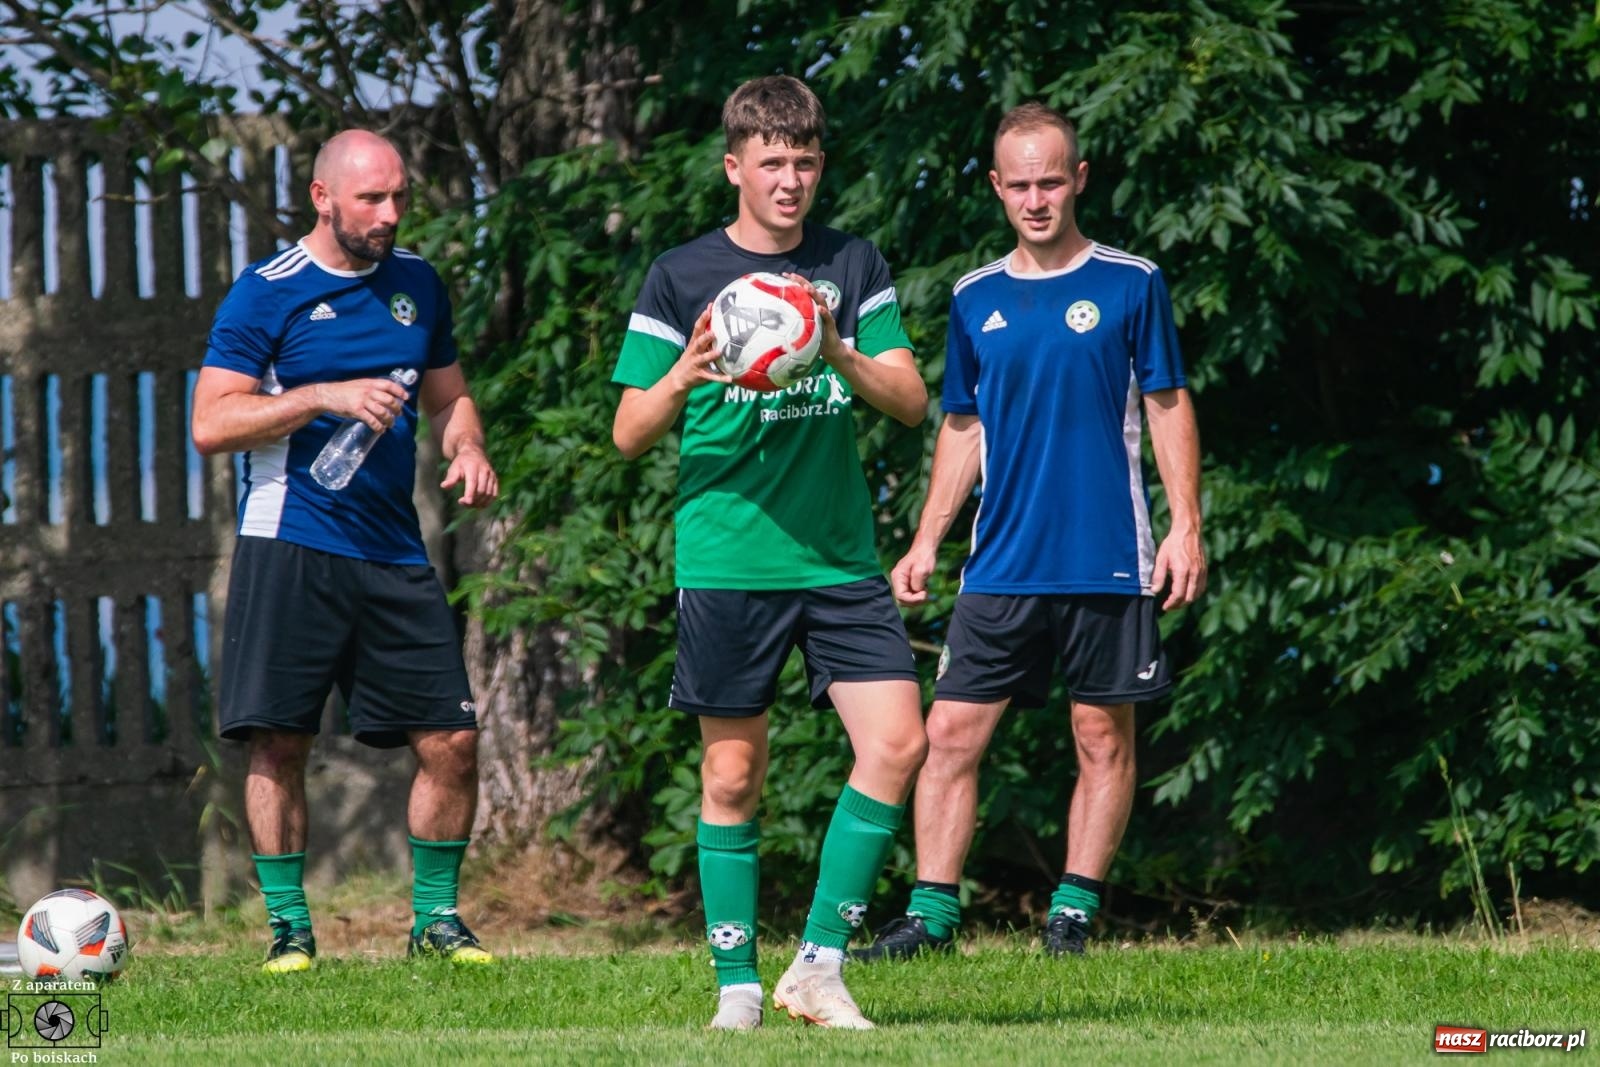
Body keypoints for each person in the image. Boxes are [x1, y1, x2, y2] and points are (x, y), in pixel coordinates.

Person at [852, 102, 1207, 962]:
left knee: (1101, 736)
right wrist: (928, 536)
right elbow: (962, 426)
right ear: (997, 188)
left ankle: (1073, 915)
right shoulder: (976, 298)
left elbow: (1166, 406)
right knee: (948, 737)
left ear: (1078, 179)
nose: (1037, 199)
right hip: (1000, 561)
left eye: (1052, 181)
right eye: (1021, 185)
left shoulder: (1132, 281)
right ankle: (932, 918)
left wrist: (1186, 526)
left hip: (1108, 557)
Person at [611, 75, 929, 1030]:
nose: (790, 181)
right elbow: (629, 431)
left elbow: (911, 401)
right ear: (734, 167)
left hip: (839, 560)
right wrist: (686, 370)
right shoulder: (680, 274)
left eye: (805, 162)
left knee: (899, 741)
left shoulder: (853, 263)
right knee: (733, 777)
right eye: (772, 164)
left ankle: (820, 966)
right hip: (728, 558)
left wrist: (833, 348)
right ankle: (738, 987)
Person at [191, 129, 500, 974]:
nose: (390, 214)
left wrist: (466, 444)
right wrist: (319, 395)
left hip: (393, 550)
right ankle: (290, 930)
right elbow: (211, 423)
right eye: (372, 199)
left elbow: (450, 397)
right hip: (290, 540)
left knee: (452, 740)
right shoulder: (266, 292)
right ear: (324, 198)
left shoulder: (418, 284)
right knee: (279, 742)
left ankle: (436, 922)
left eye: (400, 196)